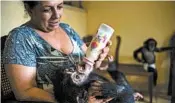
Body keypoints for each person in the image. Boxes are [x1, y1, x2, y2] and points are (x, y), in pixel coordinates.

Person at [3, 1, 111, 103]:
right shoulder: (20, 38)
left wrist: (98, 57)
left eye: (59, 7)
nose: (56, 15)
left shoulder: (67, 29)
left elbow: (88, 64)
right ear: (29, 9)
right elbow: (24, 92)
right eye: (47, 9)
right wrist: (76, 100)